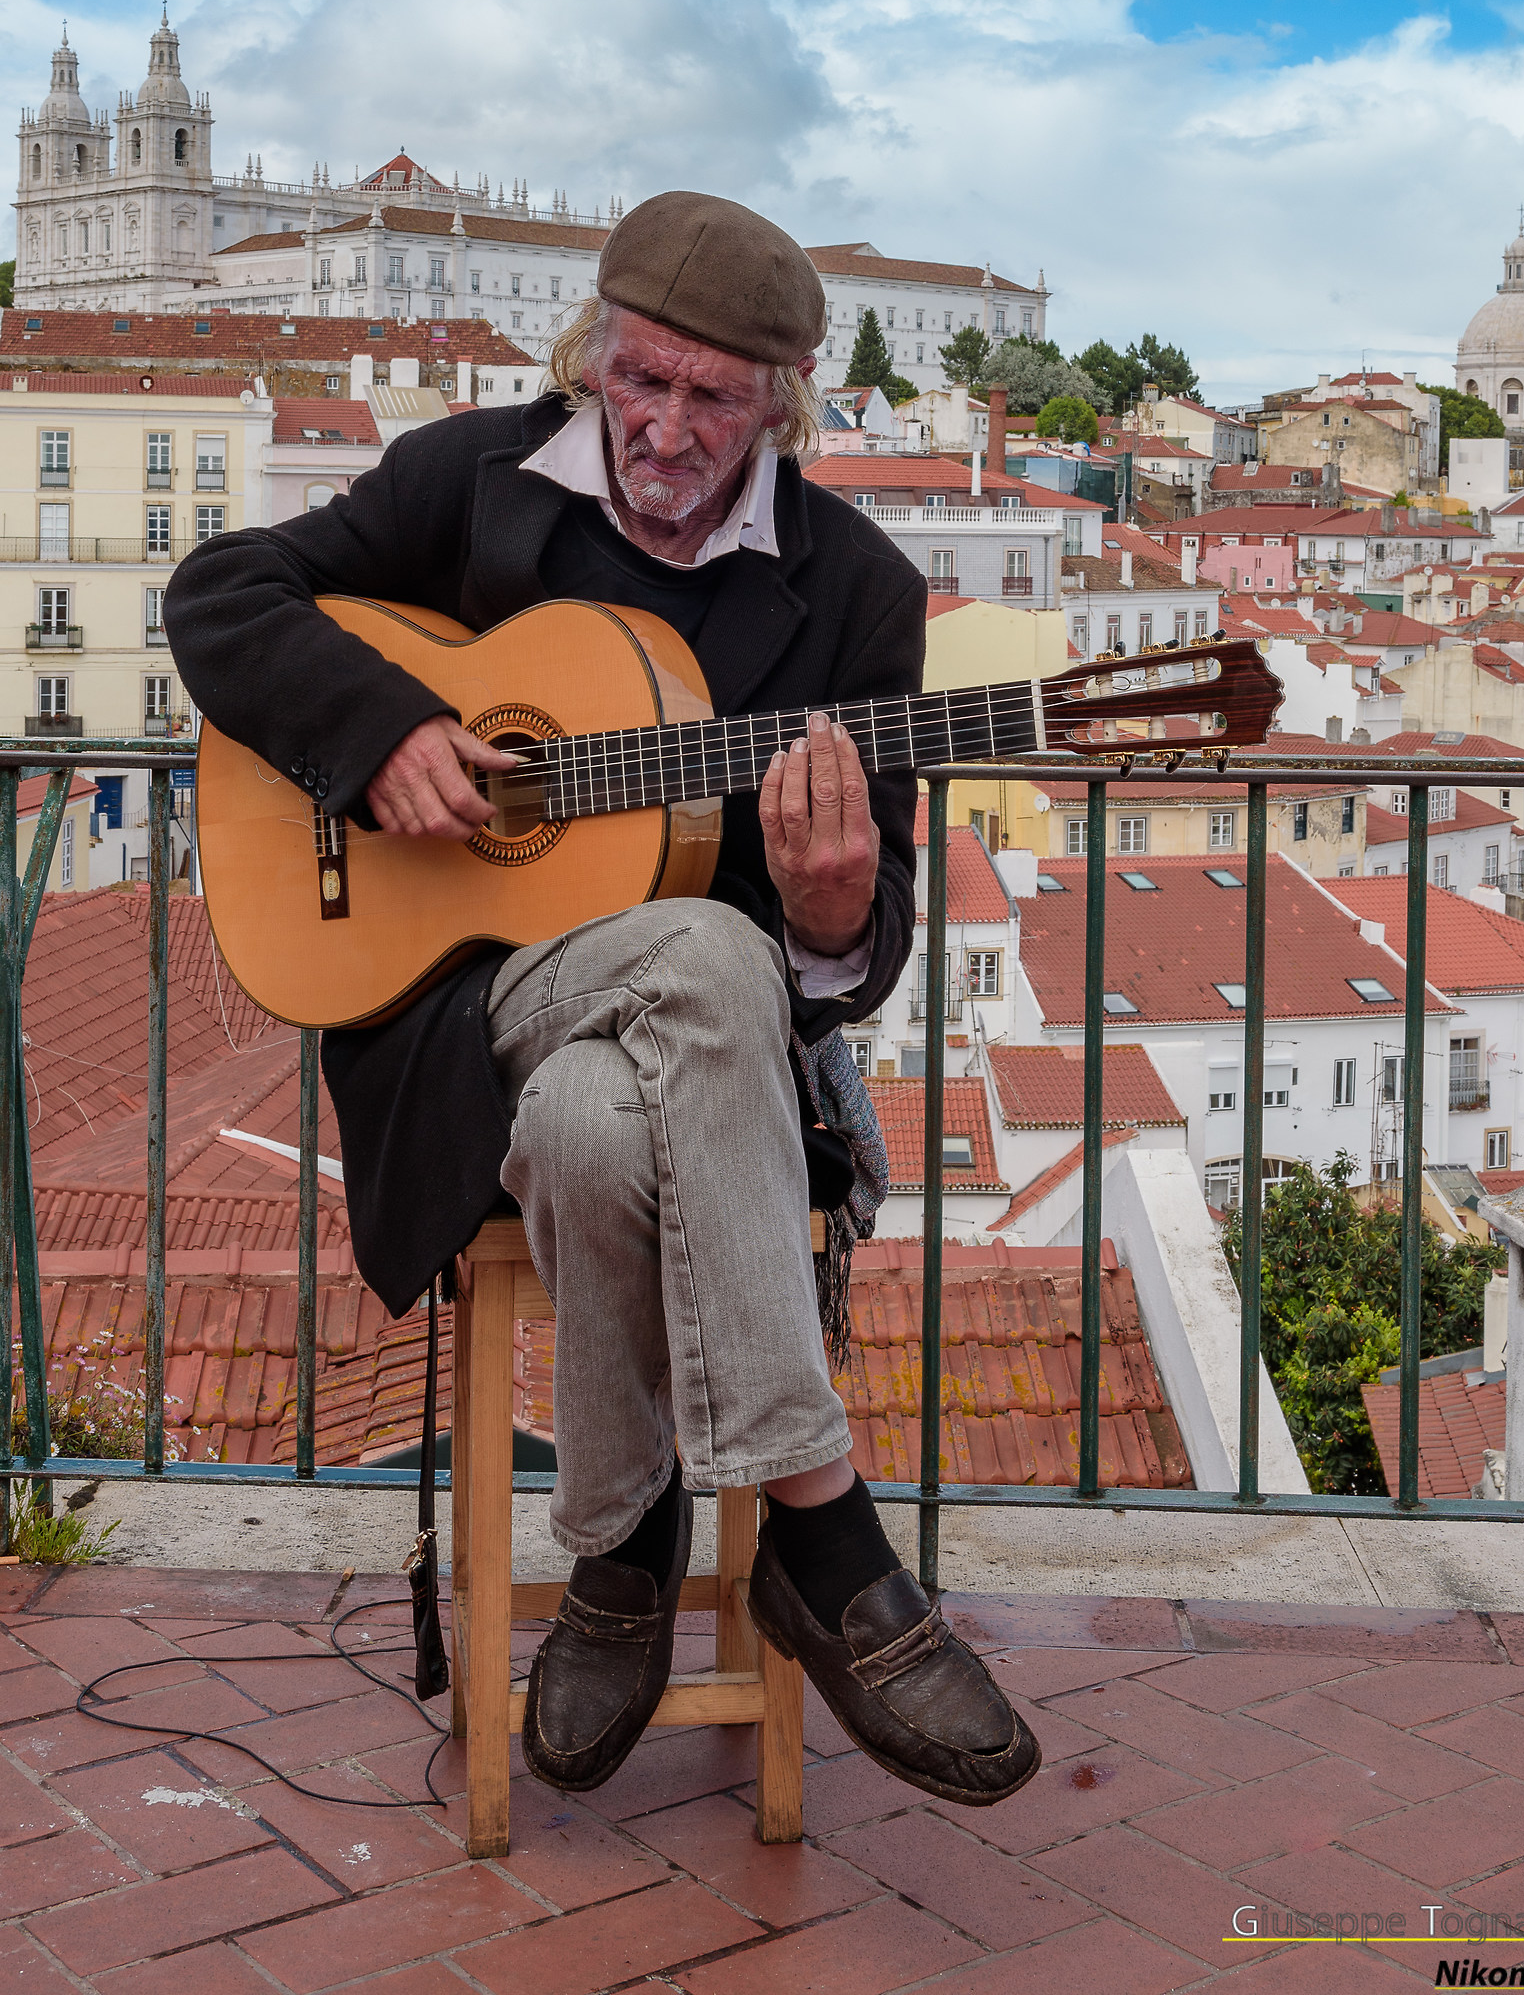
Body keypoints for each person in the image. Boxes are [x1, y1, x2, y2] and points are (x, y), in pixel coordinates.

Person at [165, 190, 1038, 1807]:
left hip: (662, 1080)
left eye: (711, 398)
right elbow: (220, 596)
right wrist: (377, 739)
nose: (664, 426)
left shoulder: (853, 592)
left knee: (617, 1086)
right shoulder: (471, 482)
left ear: (780, 402)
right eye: (639, 380)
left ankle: (621, 1550)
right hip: (453, 1019)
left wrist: (838, 905)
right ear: (593, 357)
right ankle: (824, 1534)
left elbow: (867, 943)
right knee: (707, 949)